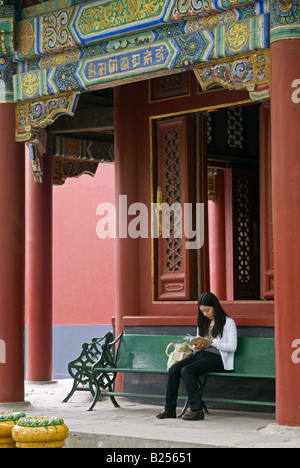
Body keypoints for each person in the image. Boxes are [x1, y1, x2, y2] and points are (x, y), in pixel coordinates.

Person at [156, 292, 237, 421]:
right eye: (203, 311)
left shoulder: (228, 323)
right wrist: (197, 346)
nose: (205, 314)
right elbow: (198, 343)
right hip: (201, 355)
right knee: (173, 369)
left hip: (217, 358)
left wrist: (213, 342)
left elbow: (233, 347)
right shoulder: (203, 322)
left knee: (187, 370)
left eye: (207, 310)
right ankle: (169, 409)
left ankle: (197, 410)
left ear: (215, 306)